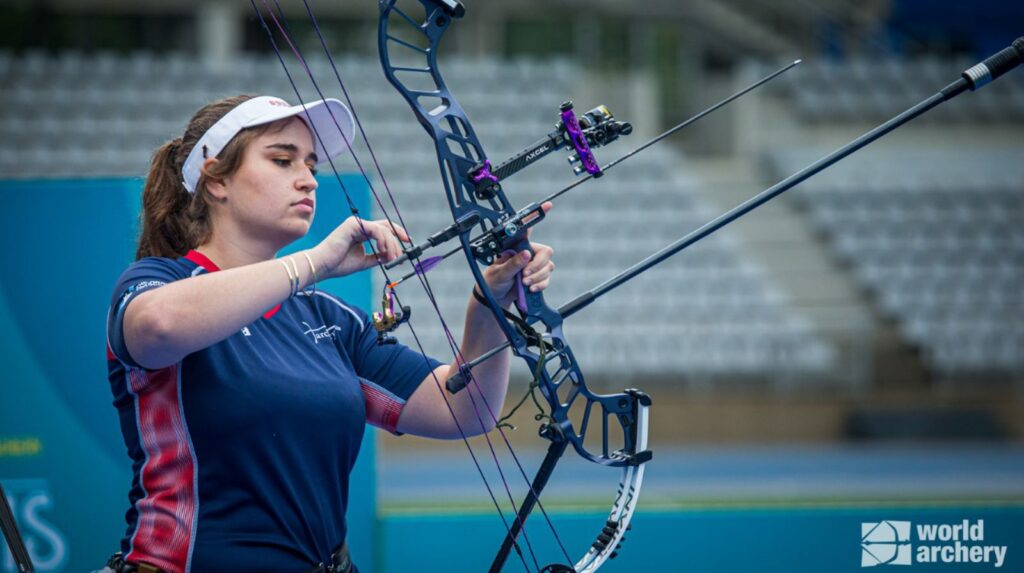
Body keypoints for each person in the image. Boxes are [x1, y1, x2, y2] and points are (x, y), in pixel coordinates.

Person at [103, 94, 555, 573]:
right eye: (282, 160)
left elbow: (465, 409)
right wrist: (316, 262)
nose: (308, 178)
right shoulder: (159, 282)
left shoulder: (331, 319)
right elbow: (157, 326)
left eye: (312, 164)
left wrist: (488, 308)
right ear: (216, 180)